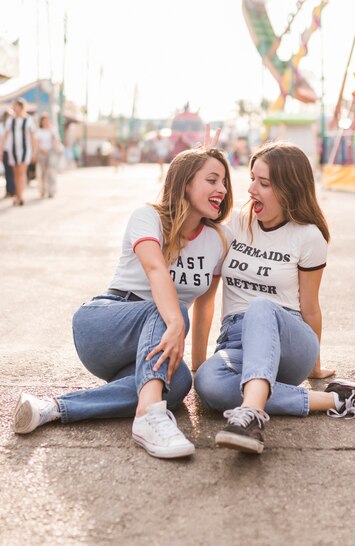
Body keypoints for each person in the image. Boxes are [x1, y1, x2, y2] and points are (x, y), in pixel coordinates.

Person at [13, 147, 233, 460]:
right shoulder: (147, 217)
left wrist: (197, 367)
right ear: (185, 183)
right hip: (104, 325)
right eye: (212, 180)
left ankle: (51, 408)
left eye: (224, 182)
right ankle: (148, 417)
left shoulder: (218, 239)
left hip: (152, 345)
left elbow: (206, 305)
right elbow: (156, 271)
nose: (222, 190)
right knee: (171, 309)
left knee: (180, 381)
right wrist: (175, 322)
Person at [194, 142, 355, 455]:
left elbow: (310, 307)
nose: (251, 189)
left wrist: (314, 369)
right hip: (236, 344)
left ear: (288, 189)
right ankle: (339, 400)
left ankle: (250, 415)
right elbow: (206, 300)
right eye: (252, 179)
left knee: (261, 307)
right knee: (209, 385)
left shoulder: (308, 236)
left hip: (289, 340)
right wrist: (198, 364)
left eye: (263, 183)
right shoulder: (232, 226)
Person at [0, 98, 37, 206]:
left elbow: (32, 137)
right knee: (15, 173)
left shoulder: (28, 120)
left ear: (21, 107)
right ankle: (17, 194)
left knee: (21, 172)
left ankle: (20, 196)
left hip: (25, 149)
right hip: (13, 149)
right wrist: (1, 149)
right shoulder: (10, 120)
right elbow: (5, 136)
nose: (14, 108)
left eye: (16, 106)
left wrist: (34, 152)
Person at [36, 112, 61, 199]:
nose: (45, 122)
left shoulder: (53, 130)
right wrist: (40, 150)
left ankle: (51, 190)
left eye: (47, 120)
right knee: (42, 172)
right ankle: (43, 190)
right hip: (42, 153)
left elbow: (56, 141)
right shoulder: (39, 131)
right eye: (44, 121)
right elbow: (37, 142)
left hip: (51, 152)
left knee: (51, 172)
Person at [0, 110, 16, 198]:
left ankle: (14, 190)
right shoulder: (1, 127)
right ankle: (9, 190)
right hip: (5, 151)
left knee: (14, 171)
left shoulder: (14, 126)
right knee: (8, 171)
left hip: (14, 151)